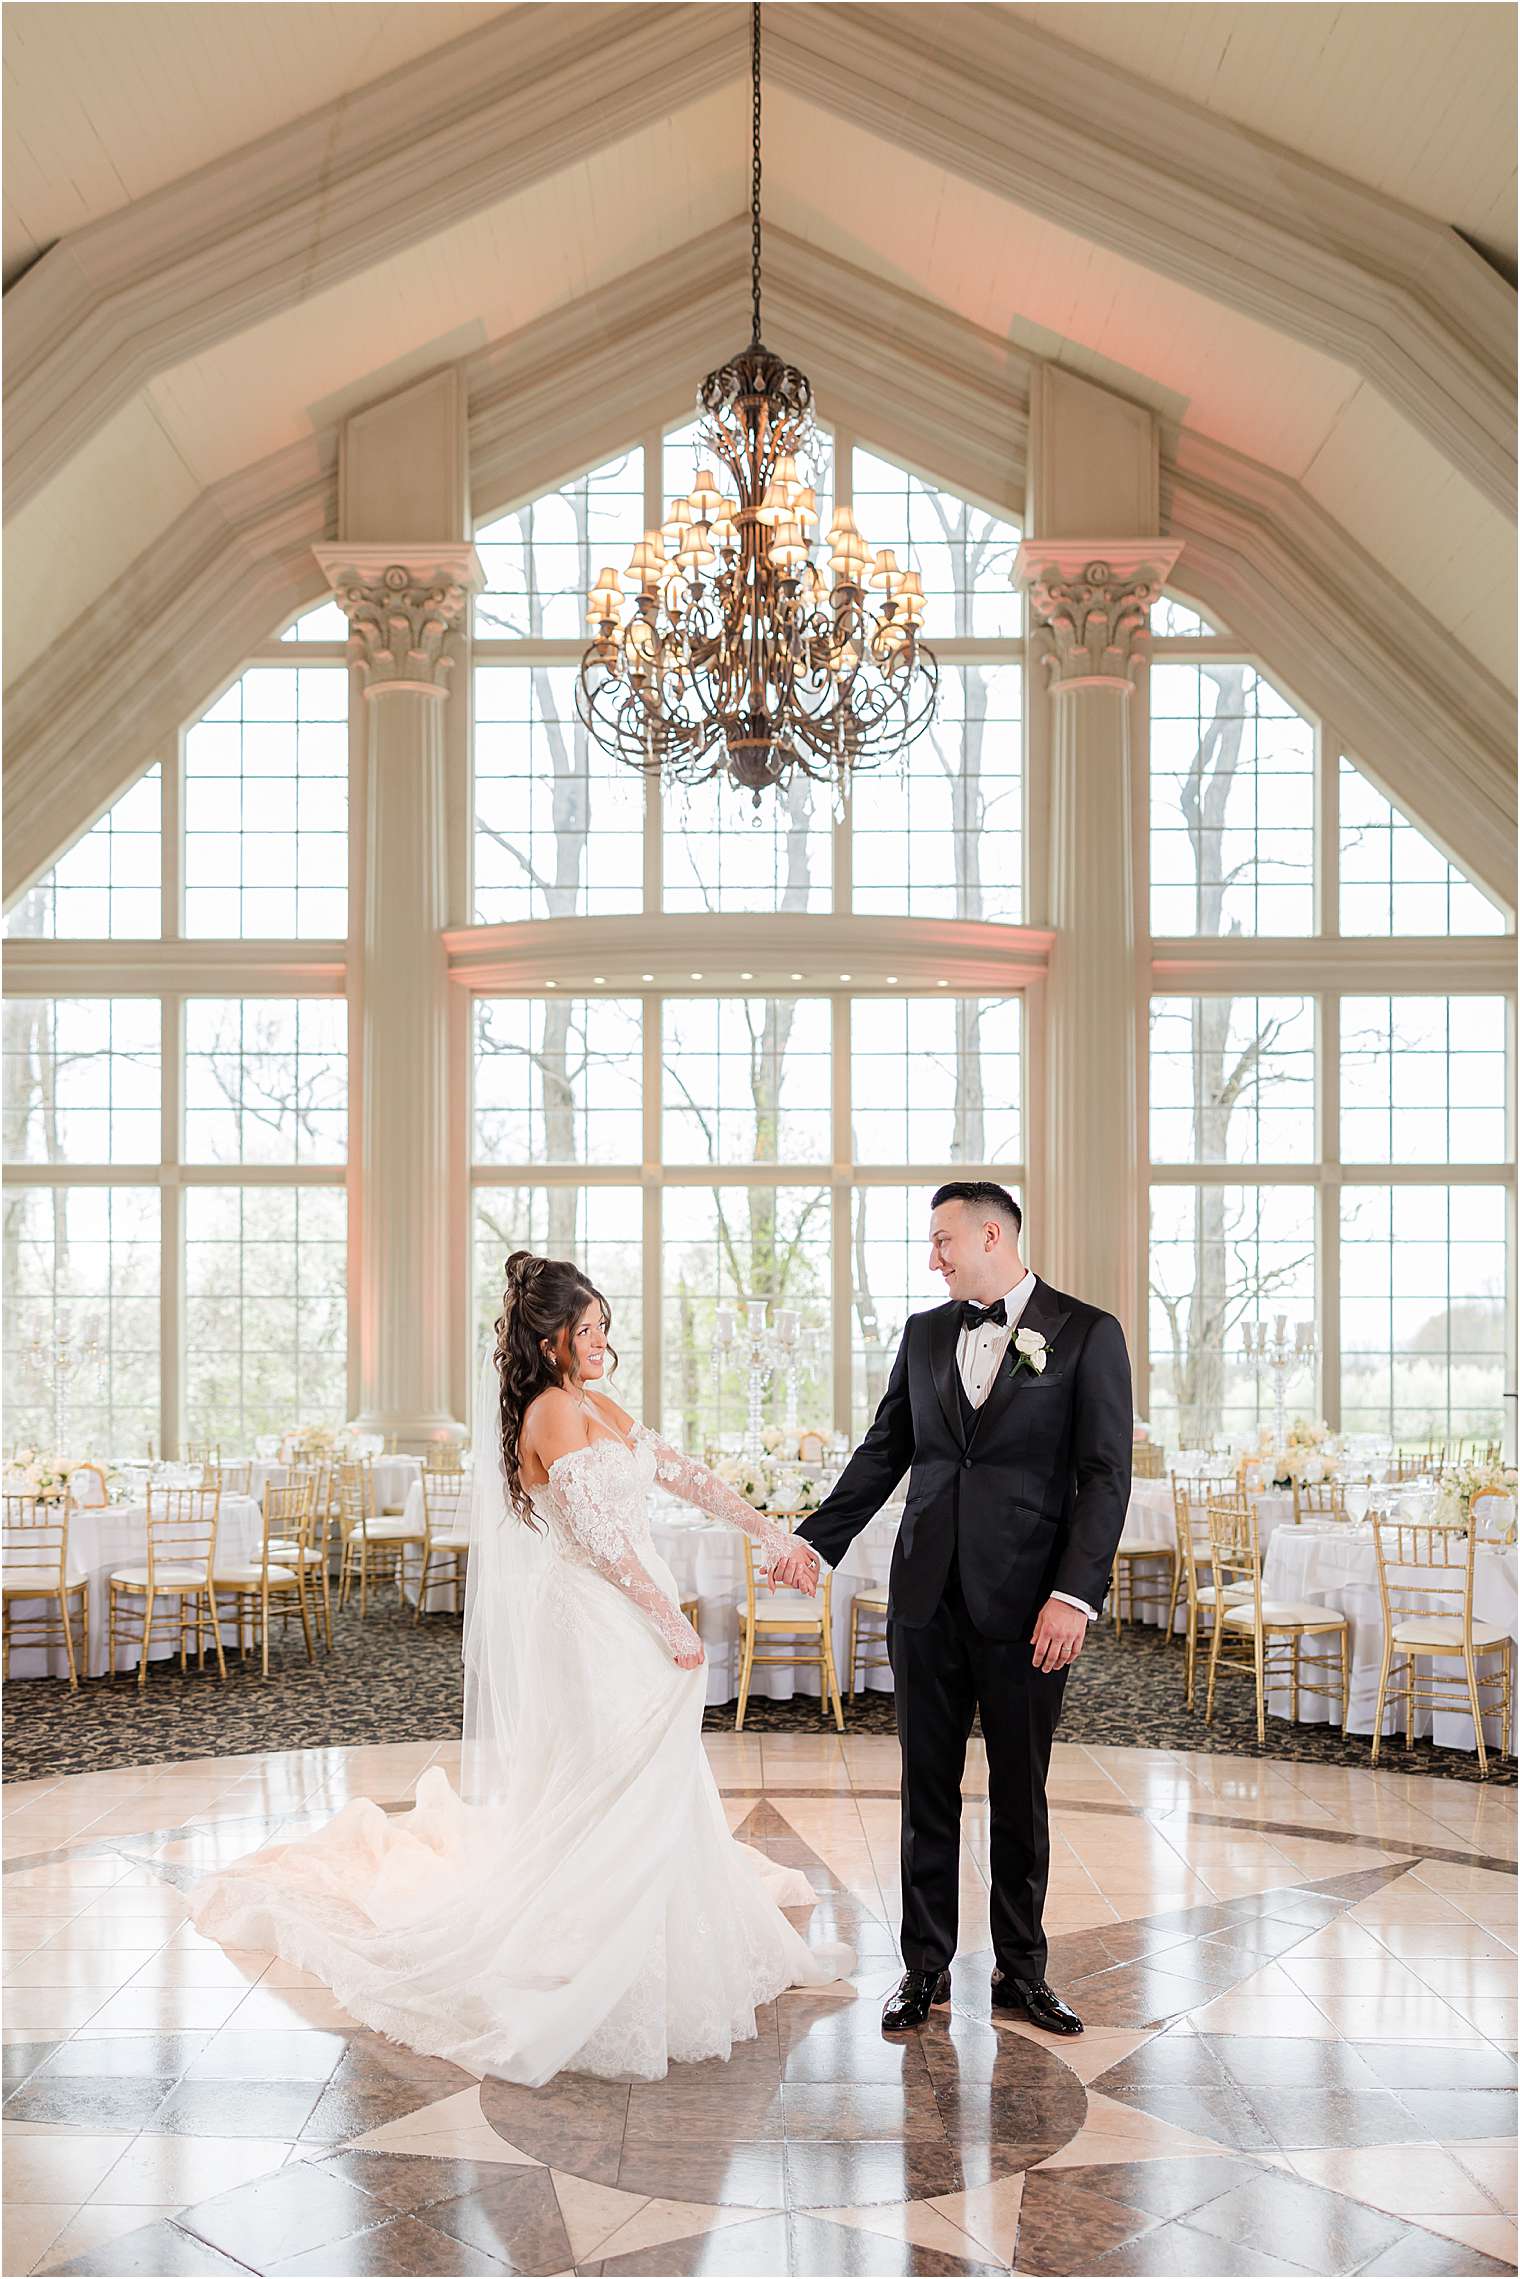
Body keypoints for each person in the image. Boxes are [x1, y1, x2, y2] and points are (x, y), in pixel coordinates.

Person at [187, 1252, 853, 2086]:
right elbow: (604, 1543)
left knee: (656, 1782)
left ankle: (668, 1939)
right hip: (596, 1620)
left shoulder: (596, 1403)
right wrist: (668, 1621)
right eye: (587, 1329)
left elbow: (688, 1475)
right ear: (549, 1342)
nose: (603, 1340)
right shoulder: (549, 1414)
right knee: (608, 1779)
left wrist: (771, 1532)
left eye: (605, 1324)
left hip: (632, 1613)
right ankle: (584, 1950)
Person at [770, 1182, 1131, 2038]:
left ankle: (1022, 1969)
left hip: (1030, 1608)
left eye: (943, 1241)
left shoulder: (1086, 1333)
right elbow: (885, 1448)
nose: (932, 1258)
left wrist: (1072, 1595)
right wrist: (817, 1541)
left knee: (1021, 1791)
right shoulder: (925, 1333)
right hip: (925, 1600)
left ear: (992, 1234)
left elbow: (1106, 1477)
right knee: (924, 1788)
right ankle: (923, 1967)